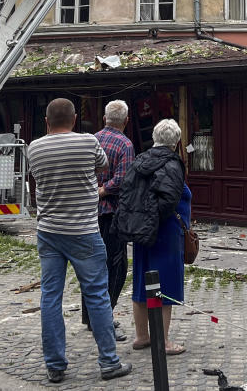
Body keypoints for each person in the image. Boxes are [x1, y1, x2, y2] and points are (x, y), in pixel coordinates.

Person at [26, 98, 133, 383]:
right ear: (74, 120)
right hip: (84, 231)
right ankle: (109, 362)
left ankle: (55, 365)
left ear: (46, 122)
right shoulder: (87, 142)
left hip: (48, 232)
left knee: (50, 297)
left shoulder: (33, 148)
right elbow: (103, 165)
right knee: (97, 296)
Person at [113, 118, 189, 355]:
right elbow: (168, 200)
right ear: (175, 142)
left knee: (142, 282)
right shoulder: (173, 163)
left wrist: (138, 221)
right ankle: (163, 341)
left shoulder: (139, 161)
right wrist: (153, 218)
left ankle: (142, 336)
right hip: (164, 233)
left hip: (140, 232)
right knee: (164, 286)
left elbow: (126, 193)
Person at [81, 100, 134, 340]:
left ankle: (88, 316)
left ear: (104, 119)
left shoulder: (91, 140)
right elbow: (123, 180)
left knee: (91, 266)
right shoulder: (125, 144)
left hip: (87, 213)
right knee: (116, 267)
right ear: (126, 121)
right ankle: (104, 319)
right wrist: (102, 190)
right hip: (111, 214)